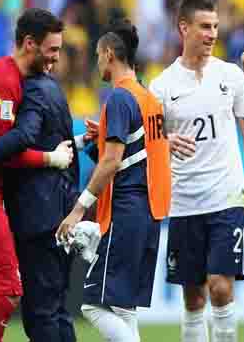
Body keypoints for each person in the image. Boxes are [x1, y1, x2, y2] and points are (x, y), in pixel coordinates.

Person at [0, 10, 94, 341]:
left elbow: (21, 141)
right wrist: (48, 158)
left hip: (20, 204)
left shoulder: (30, 83)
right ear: (30, 44)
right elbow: (13, 143)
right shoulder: (14, 82)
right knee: (15, 297)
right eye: (53, 50)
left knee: (1, 298)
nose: (57, 58)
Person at [149, 0, 244, 342]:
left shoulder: (230, 76)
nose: (212, 33)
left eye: (215, 26)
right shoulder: (162, 86)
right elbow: (149, 145)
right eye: (204, 26)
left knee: (219, 288)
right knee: (193, 296)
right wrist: (164, 142)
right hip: (184, 201)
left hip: (227, 197)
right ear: (183, 28)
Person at [56, 18, 171, 342]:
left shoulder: (119, 99)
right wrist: (102, 139)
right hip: (149, 213)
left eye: (97, 55)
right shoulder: (148, 99)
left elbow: (112, 163)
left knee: (92, 306)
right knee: (123, 309)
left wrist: (79, 209)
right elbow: (138, 156)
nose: (96, 62)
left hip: (125, 211)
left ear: (109, 53)